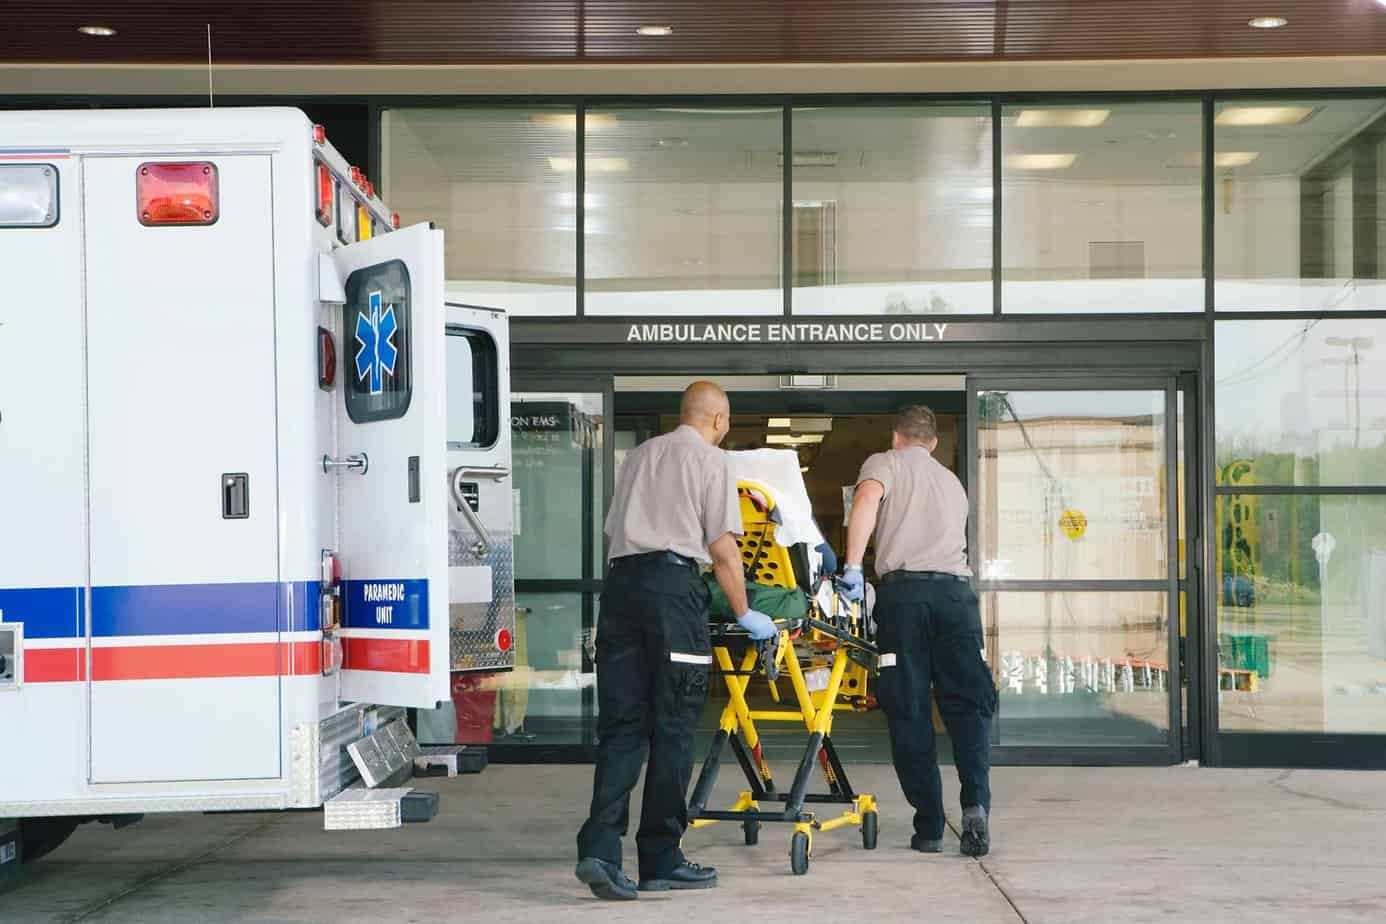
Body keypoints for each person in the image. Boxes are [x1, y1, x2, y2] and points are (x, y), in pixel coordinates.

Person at [575, 381, 778, 901]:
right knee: (674, 727)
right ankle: (660, 858)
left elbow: (612, 533)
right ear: (718, 420)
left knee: (622, 728)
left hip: (621, 590)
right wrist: (744, 611)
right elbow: (723, 547)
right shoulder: (712, 460)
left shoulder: (638, 457)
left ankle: (599, 850)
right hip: (672, 592)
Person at [840, 405, 996, 857]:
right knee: (968, 706)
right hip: (956, 598)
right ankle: (975, 806)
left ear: (897, 437)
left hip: (904, 598)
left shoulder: (884, 463)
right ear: (933, 443)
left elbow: (866, 502)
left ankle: (929, 826)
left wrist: (853, 566)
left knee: (908, 708)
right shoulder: (951, 481)